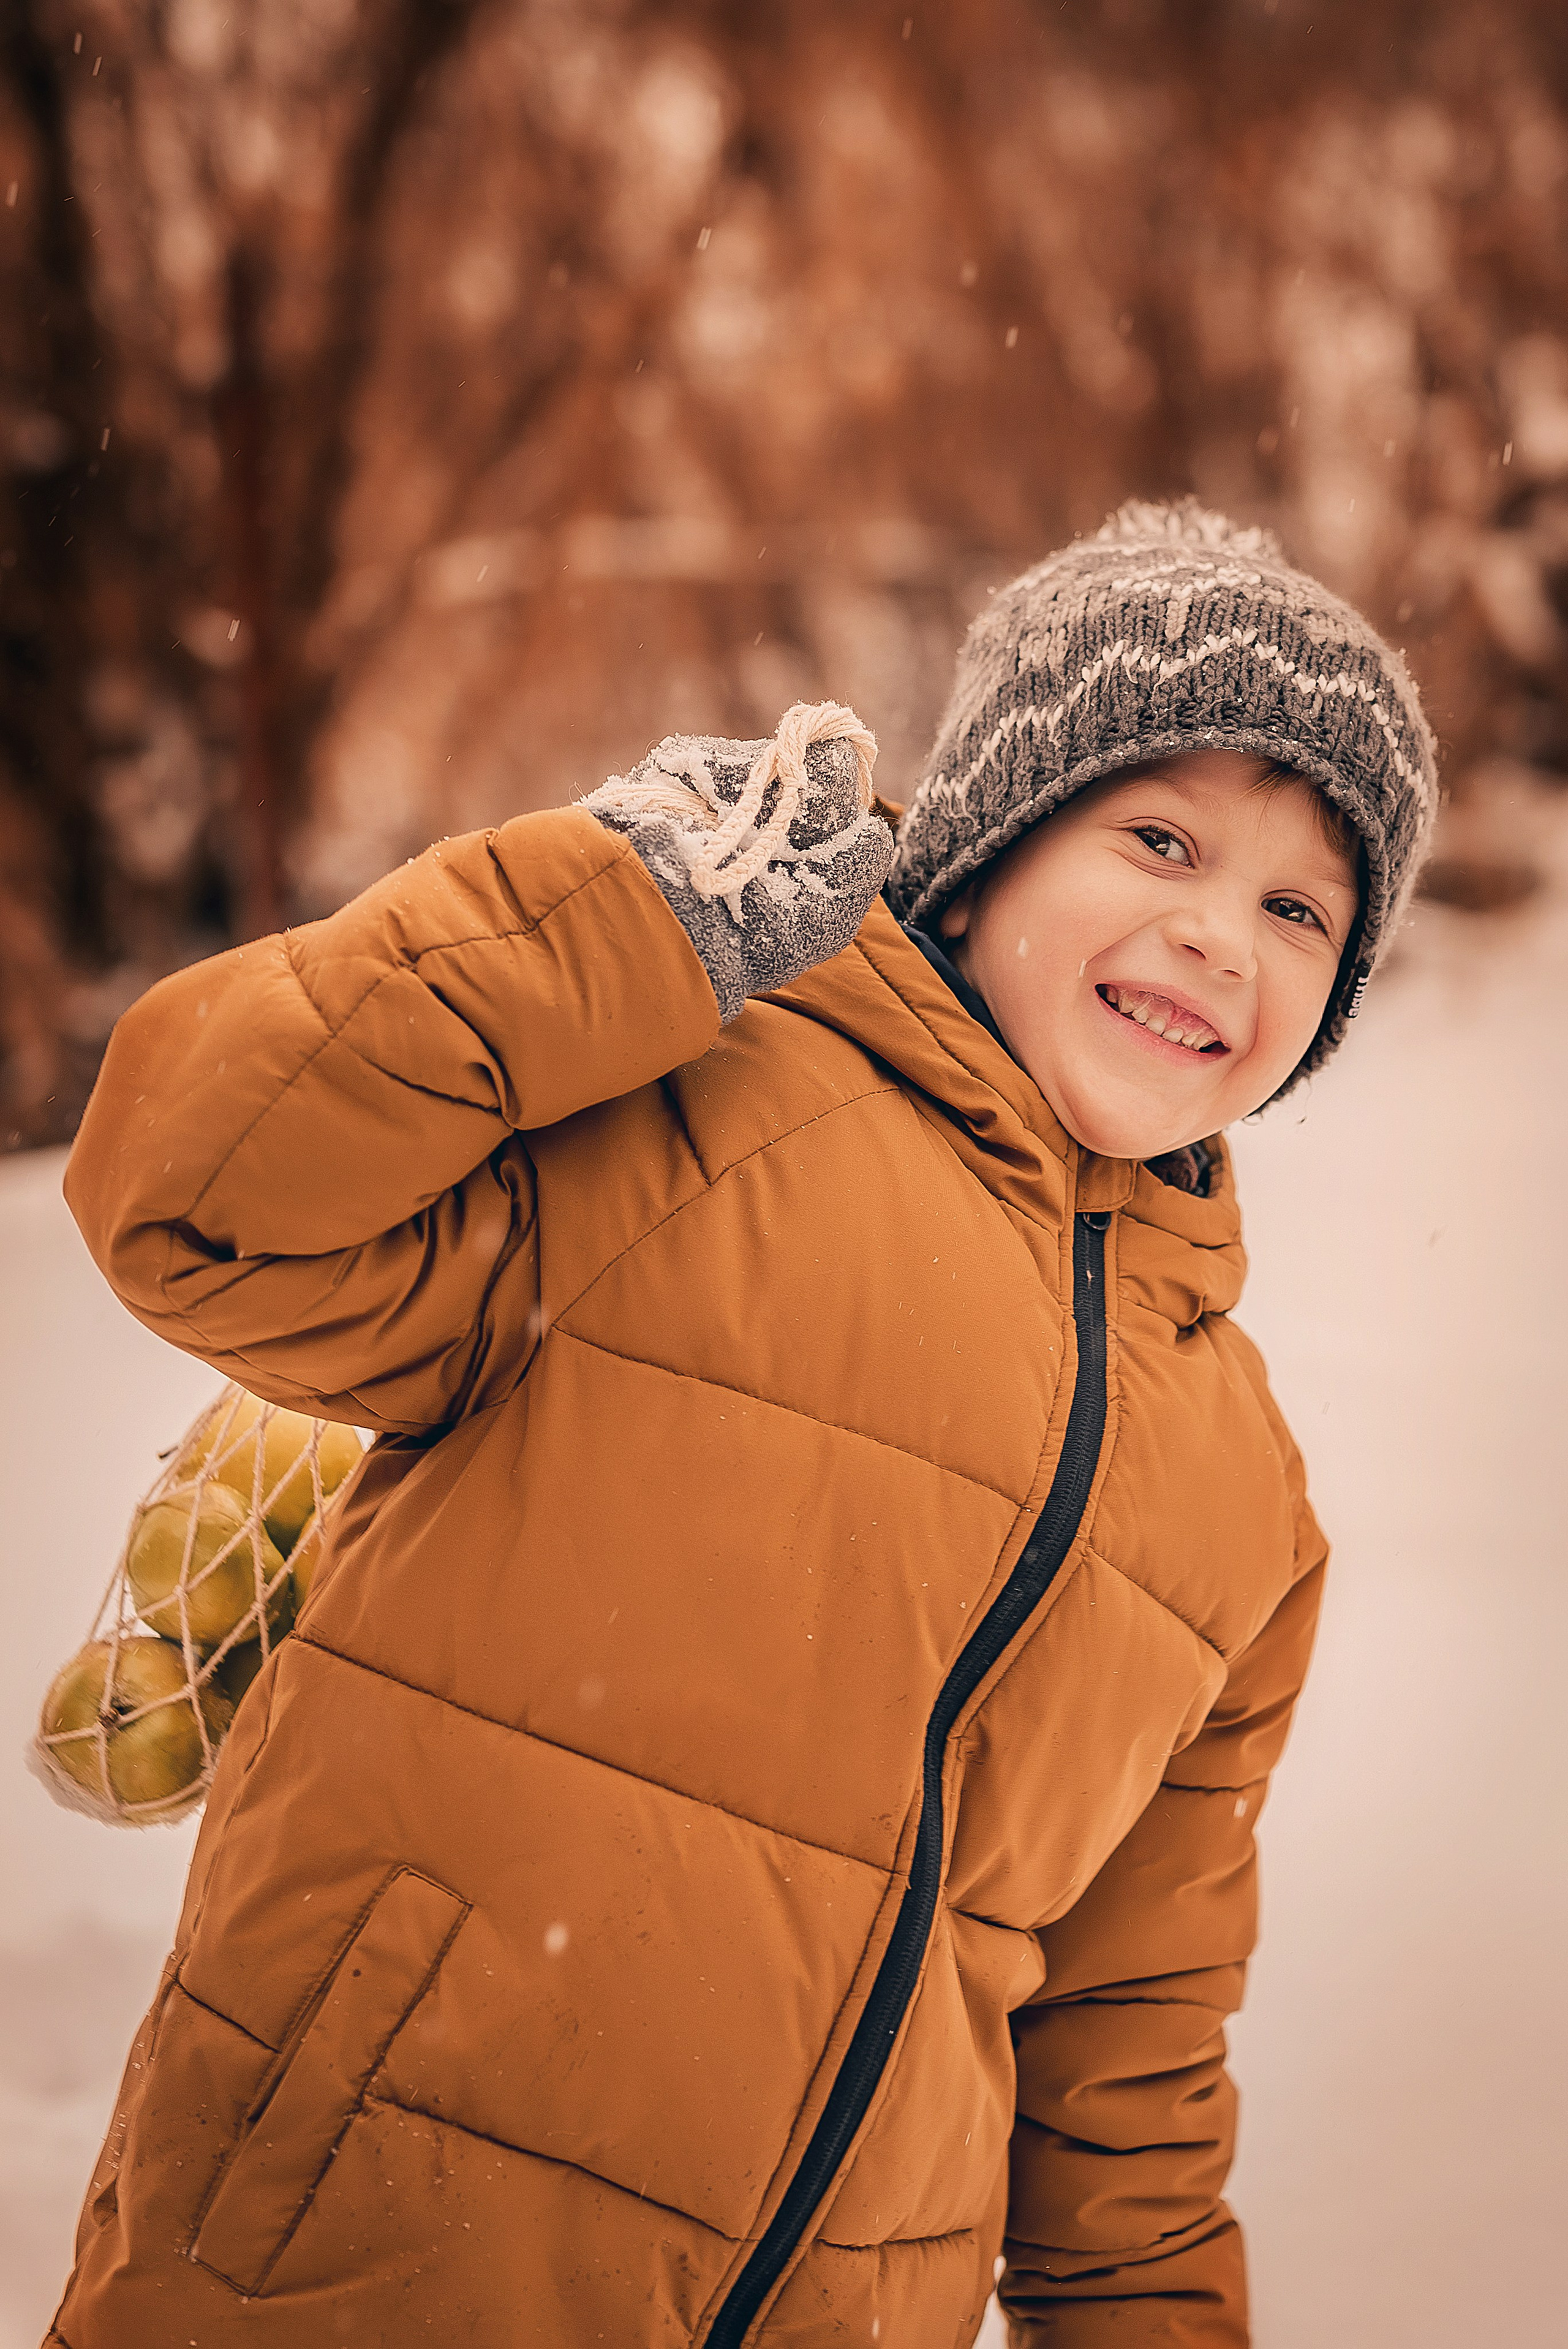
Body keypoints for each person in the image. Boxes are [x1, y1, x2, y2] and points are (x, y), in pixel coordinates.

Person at [48, 499, 1434, 2349]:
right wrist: (606, 916)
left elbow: (1130, 2085)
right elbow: (193, 1185)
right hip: (344, 2274)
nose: (1217, 936)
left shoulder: (1242, 1498)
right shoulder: (693, 1103)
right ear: (990, 848)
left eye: (1297, 907)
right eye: (1160, 836)